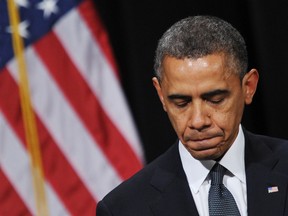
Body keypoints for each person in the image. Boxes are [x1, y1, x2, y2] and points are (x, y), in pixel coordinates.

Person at [96, 15, 288, 216]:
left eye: (215, 99)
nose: (198, 121)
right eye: (181, 103)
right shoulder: (123, 208)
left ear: (248, 87)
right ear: (161, 95)